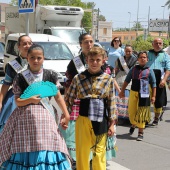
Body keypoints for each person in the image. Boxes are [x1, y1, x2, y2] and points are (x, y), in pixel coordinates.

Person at [0, 44, 71, 169]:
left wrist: (66, 114)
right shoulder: (20, 77)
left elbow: (58, 97)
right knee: (26, 144)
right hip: (25, 119)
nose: (36, 61)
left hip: (46, 118)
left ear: (44, 58)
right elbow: (18, 101)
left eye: (39, 57)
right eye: (32, 57)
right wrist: (30, 99)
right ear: (27, 58)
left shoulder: (50, 75)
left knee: (48, 143)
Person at [65, 46, 117, 170]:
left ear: (103, 60)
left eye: (97, 60)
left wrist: (112, 124)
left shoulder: (108, 79)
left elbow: (111, 102)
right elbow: (69, 99)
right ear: (87, 60)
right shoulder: (79, 78)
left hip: (101, 121)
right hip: (83, 119)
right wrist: (65, 117)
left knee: (99, 153)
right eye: (91, 59)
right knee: (82, 152)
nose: (94, 63)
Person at [61, 33, 94, 168]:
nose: (89, 44)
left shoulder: (98, 59)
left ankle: (91, 157)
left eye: (91, 41)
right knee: (75, 131)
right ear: (80, 44)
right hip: (77, 101)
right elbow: (68, 83)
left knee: (93, 131)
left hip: (95, 102)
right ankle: (74, 158)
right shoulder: (75, 62)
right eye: (86, 42)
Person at [119, 51, 156, 141]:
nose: (142, 59)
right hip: (134, 92)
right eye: (141, 57)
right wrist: (122, 91)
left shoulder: (149, 71)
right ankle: (134, 124)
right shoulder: (133, 69)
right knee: (131, 111)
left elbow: (154, 84)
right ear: (138, 59)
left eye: (144, 57)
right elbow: (127, 80)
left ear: (147, 59)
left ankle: (140, 132)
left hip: (144, 94)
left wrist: (154, 96)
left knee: (142, 113)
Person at [0, 35, 32, 133]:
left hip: (33, 95)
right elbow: (6, 84)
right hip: (15, 97)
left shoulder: (37, 62)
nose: (27, 46)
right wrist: (0, 101)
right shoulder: (12, 65)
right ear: (18, 47)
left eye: (29, 43)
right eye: (24, 44)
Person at [146, 38, 170, 126]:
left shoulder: (166, 56)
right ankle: (146, 118)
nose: (158, 45)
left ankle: (156, 118)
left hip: (160, 80)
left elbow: (168, 69)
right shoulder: (148, 54)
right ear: (152, 44)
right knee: (146, 99)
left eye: (160, 43)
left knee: (158, 100)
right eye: (156, 43)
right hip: (147, 79)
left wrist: (164, 80)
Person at [115, 45, 137, 119]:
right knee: (118, 97)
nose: (128, 52)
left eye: (129, 51)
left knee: (126, 98)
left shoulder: (135, 60)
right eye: (126, 51)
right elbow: (116, 68)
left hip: (129, 78)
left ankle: (126, 116)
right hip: (119, 77)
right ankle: (119, 116)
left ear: (132, 51)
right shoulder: (120, 59)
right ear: (124, 51)